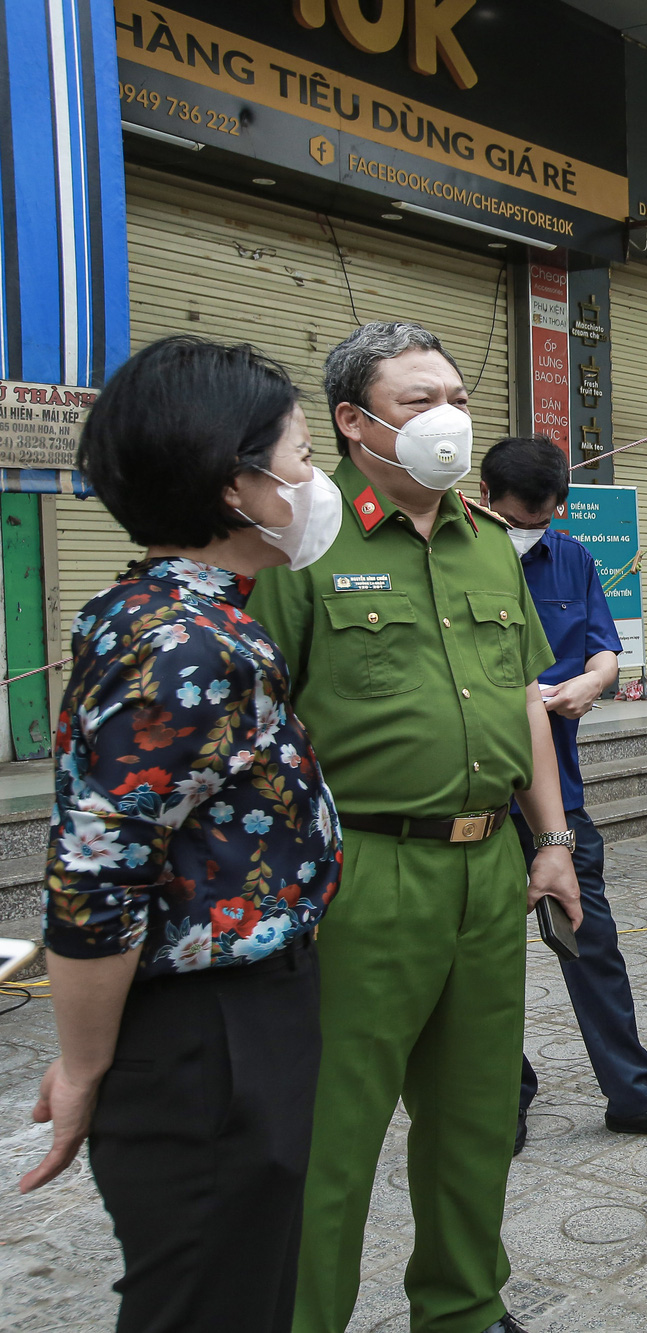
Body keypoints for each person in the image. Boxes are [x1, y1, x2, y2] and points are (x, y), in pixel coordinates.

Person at [248, 322, 581, 1333]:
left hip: (488, 870)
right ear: (352, 423)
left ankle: (461, 1308)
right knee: (335, 1133)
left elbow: (525, 694)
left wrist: (554, 840)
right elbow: (262, 724)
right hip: (364, 872)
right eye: (415, 402)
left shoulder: (488, 542)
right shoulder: (302, 543)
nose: (446, 419)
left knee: (474, 1118)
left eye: (454, 398)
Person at [20, 336, 343, 1331]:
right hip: (213, 1039)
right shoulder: (188, 647)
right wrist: (81, 1066)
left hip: (234, 1023)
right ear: (235, 484)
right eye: (296, 456)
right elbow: (96, 878)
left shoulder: (163, 614)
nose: (312, 479)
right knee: (212, 1298)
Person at [478, 436, 647, 1153]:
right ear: (488, 497)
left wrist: (591, 681)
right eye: (525, 513)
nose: (536, 525)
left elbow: (606, 648)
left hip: (561, 793)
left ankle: (631, 1094)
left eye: (549, 513)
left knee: (592, 944)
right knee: (488, 957)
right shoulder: (454, 555)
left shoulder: (570, 555)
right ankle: (501, 1095)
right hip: (479, 795)